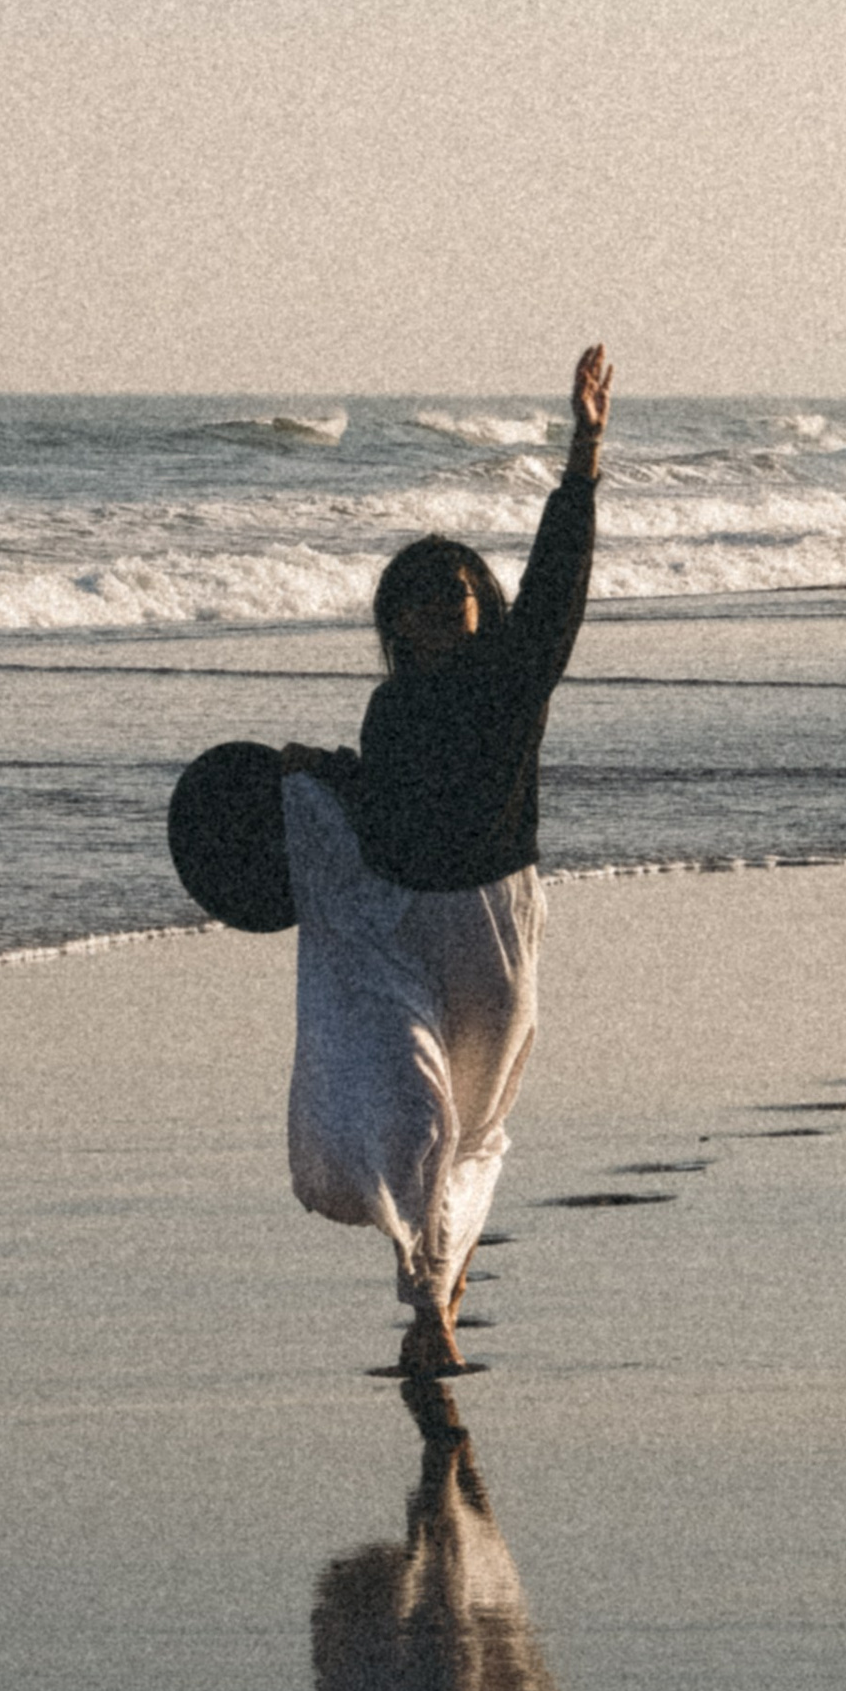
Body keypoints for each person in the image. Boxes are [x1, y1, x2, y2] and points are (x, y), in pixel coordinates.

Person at [277, 345, 611, 1375]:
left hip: (494, 919)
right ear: (395, 620)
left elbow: (556, 586)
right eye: (417, 596)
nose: (437, 606)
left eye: (454, 589)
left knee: (472, 1125)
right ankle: (431, 1294)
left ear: (479, 603)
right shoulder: (390, 705)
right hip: (397, 917)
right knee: (415, 1109)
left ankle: (436, 1286)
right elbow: (386, 797)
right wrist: (317, 774)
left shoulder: (516, 678)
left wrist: (583, 456)